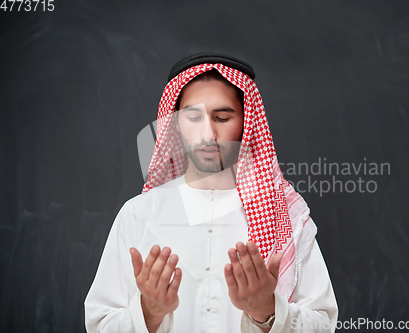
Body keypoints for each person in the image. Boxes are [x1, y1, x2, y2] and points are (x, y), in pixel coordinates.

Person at [84, 52, 338, 332]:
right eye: (193, 117)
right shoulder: (138, 215)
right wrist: (148, 313)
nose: (208, 134)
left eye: (222, 117)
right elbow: (99, 325)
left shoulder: (282, 217)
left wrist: (266, 311)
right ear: (176, 125)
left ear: (246, 125)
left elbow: (324, 324)